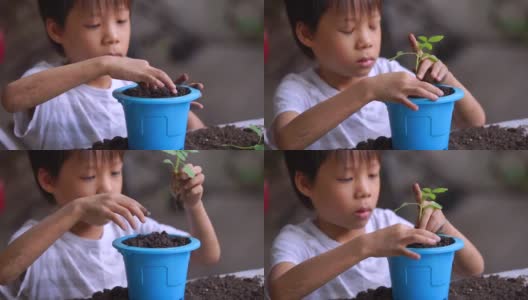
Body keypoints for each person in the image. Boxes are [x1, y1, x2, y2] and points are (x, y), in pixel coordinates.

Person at [0, 150, 220, 299]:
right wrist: (77, 209)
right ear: (48, 180)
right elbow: (4, 272)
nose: (107, 187)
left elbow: (206, 255)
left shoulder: (132, 227)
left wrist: (194, 205)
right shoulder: (36, 241)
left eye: (115, 173)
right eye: (88, 177)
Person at [269, 0, 486, 149]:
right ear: (307, 34)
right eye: (348, 30)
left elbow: (474, 123)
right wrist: (367, 90)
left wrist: (445, 79)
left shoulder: (390, 72)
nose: (366, 41)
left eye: (374, 25)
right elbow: (287, 140)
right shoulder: (298, 89)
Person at [268, 150, 484, 299]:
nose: (365, 190)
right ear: (305, 183)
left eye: (372, 175)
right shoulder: (297, 241)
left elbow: (472, 269)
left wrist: (442, 226)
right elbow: (280, 292)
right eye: (346, 178)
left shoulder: (387, 222)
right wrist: (365, 246)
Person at [1, 0, 205, 149]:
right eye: (94, 25)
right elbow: (12, 98)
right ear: (57, 31)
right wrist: (104, 64)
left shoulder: (132, 86)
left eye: (121, 21)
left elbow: (199, 133)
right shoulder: (46, 82)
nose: (113, 37)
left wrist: (174, 106)